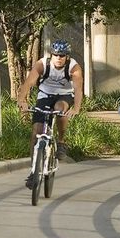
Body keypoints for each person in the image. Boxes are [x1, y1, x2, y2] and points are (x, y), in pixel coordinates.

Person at [17, 39, 83, 189]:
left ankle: (61, 142)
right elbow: (29, 82)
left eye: (62, 56)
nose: (58, 58)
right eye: (56, 55)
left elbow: (78, 90)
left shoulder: (74, 68)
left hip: (64, 95)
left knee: (60, 110)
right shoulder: (42, 64)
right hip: (45, 95)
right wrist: (22, 100)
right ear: (51, 55)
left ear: (67, 57)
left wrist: (76, 108)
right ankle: (34, 171)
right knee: (36, 131)